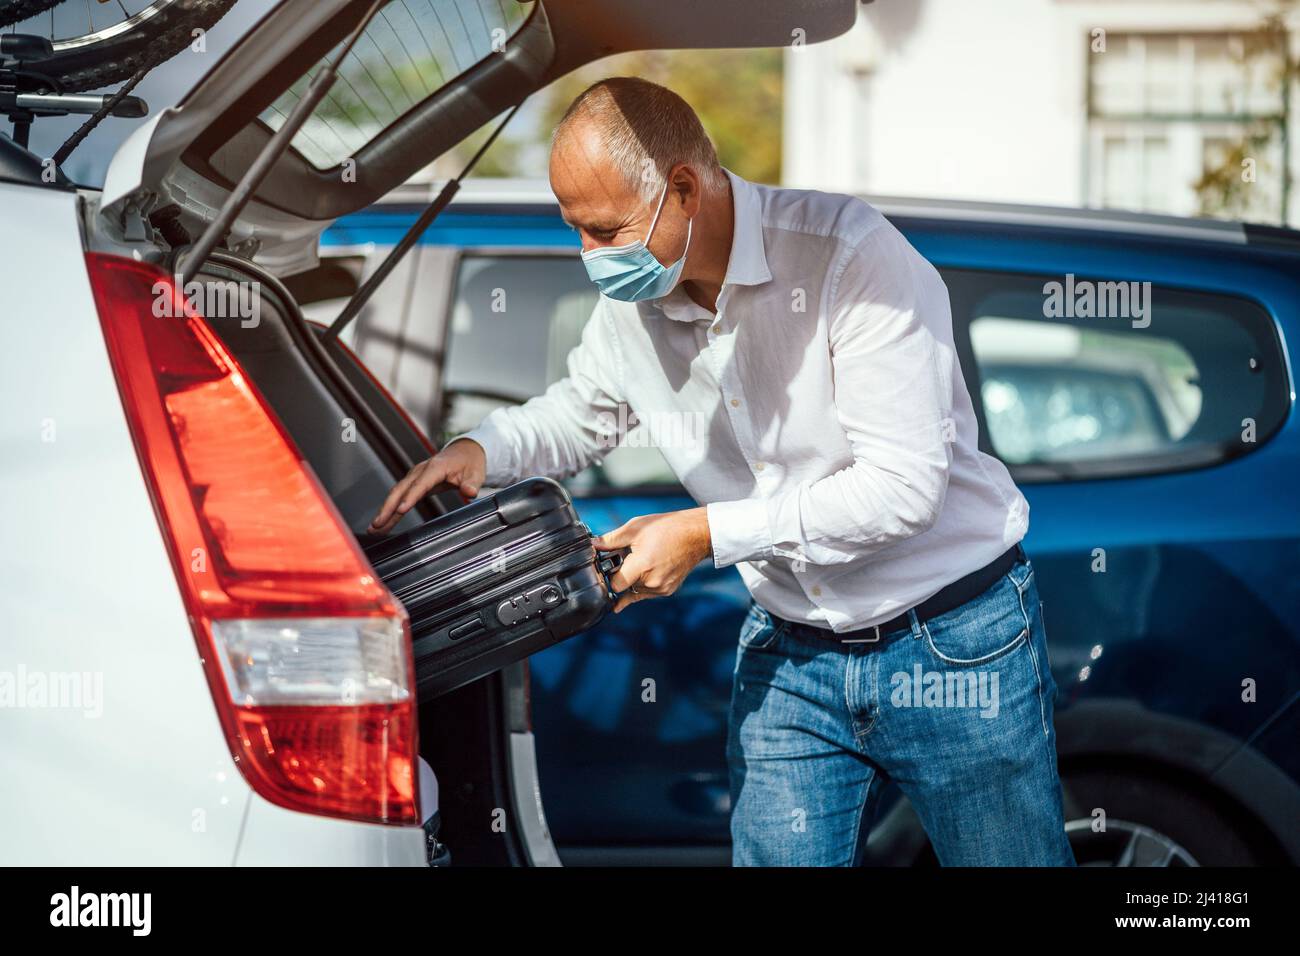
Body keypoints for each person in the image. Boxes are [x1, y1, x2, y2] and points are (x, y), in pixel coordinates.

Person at [369, 77, 1075, 867]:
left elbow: (903, 489)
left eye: (606, 230)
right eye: (575, 231)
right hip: (792, 650)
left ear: (682, 189)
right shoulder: (632, 310)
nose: (590, 258)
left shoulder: (849, 255)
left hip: (952, 637)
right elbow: (582, 411)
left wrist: (706, 534)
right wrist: (481, 450)